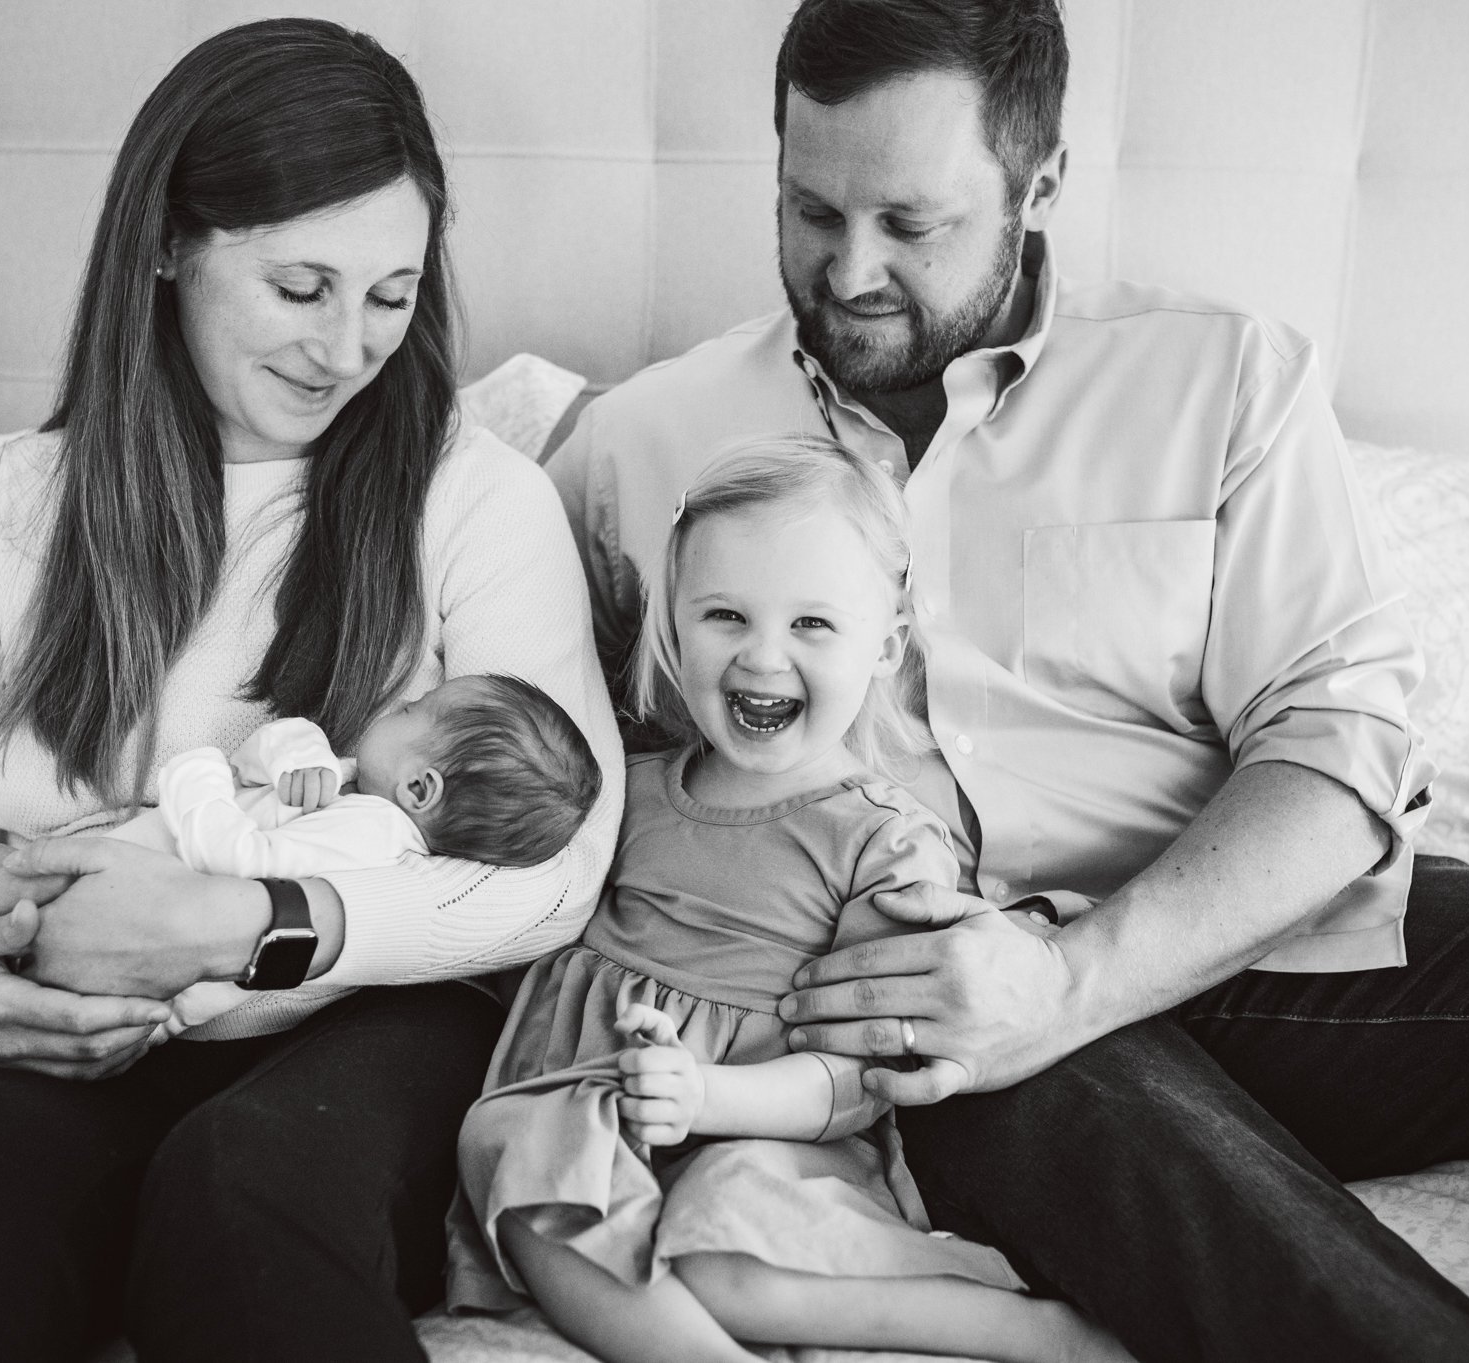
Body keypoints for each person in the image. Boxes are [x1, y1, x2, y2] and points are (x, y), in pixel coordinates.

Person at [543, 2, 1469, 1361]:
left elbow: (1340, 738)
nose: (849, 269)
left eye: (911, 226)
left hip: (1228, 930)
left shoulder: (1222, 375)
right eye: (810, 211)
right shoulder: (637, 444)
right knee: (1058, 1100)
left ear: (1039, 186)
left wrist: (1078, 972)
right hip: (909, 997)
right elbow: (538, 756)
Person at [0, 18, 623, 1363]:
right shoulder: (0, 513)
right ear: (170, 244)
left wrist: (241, 918)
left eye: (391, 292)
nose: (350, 346)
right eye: (301, 286)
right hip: (66, 1004)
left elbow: (557, 870)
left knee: (244, 1189)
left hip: (373, 1008)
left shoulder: (475, 499)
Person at [449, 437, 1129, 1363]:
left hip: (773, 1132)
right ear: (673, 627)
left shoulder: (883, 841)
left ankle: (1033, 1330)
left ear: (883, 647)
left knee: (723, 1250)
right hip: (596, 1110)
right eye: (725, 614)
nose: (762, 656)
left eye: (812, 624)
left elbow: (857, 1076)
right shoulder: (622, 789)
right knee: (520, 1148)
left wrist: (710, 1096)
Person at [0, 673, 603, 1041]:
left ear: (421, 786)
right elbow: (265, 752)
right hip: (134, 879)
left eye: (414, 710)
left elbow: (238, 865)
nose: (397, 704)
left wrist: (197, 774)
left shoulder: (370, 838)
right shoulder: (362, 793)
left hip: (140, 902)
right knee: (6, 890)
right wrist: (297, 750)